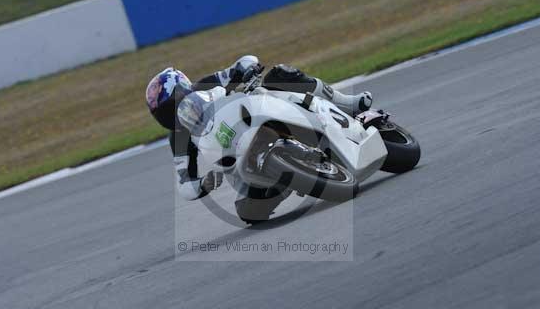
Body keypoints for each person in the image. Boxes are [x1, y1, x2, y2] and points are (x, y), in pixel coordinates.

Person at [145, 55, 373, 223]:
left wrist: (248, 68)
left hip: (254, 115)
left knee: (280, 75)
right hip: (241, 160)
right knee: (248, 212)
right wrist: (202, 184)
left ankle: (346, 103)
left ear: (184, 87)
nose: (172, 113)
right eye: (164, 112)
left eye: (172, 103)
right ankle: (288, 178)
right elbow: (184, 183)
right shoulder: (178, 139)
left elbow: (240, 64)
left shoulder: (207, 84)